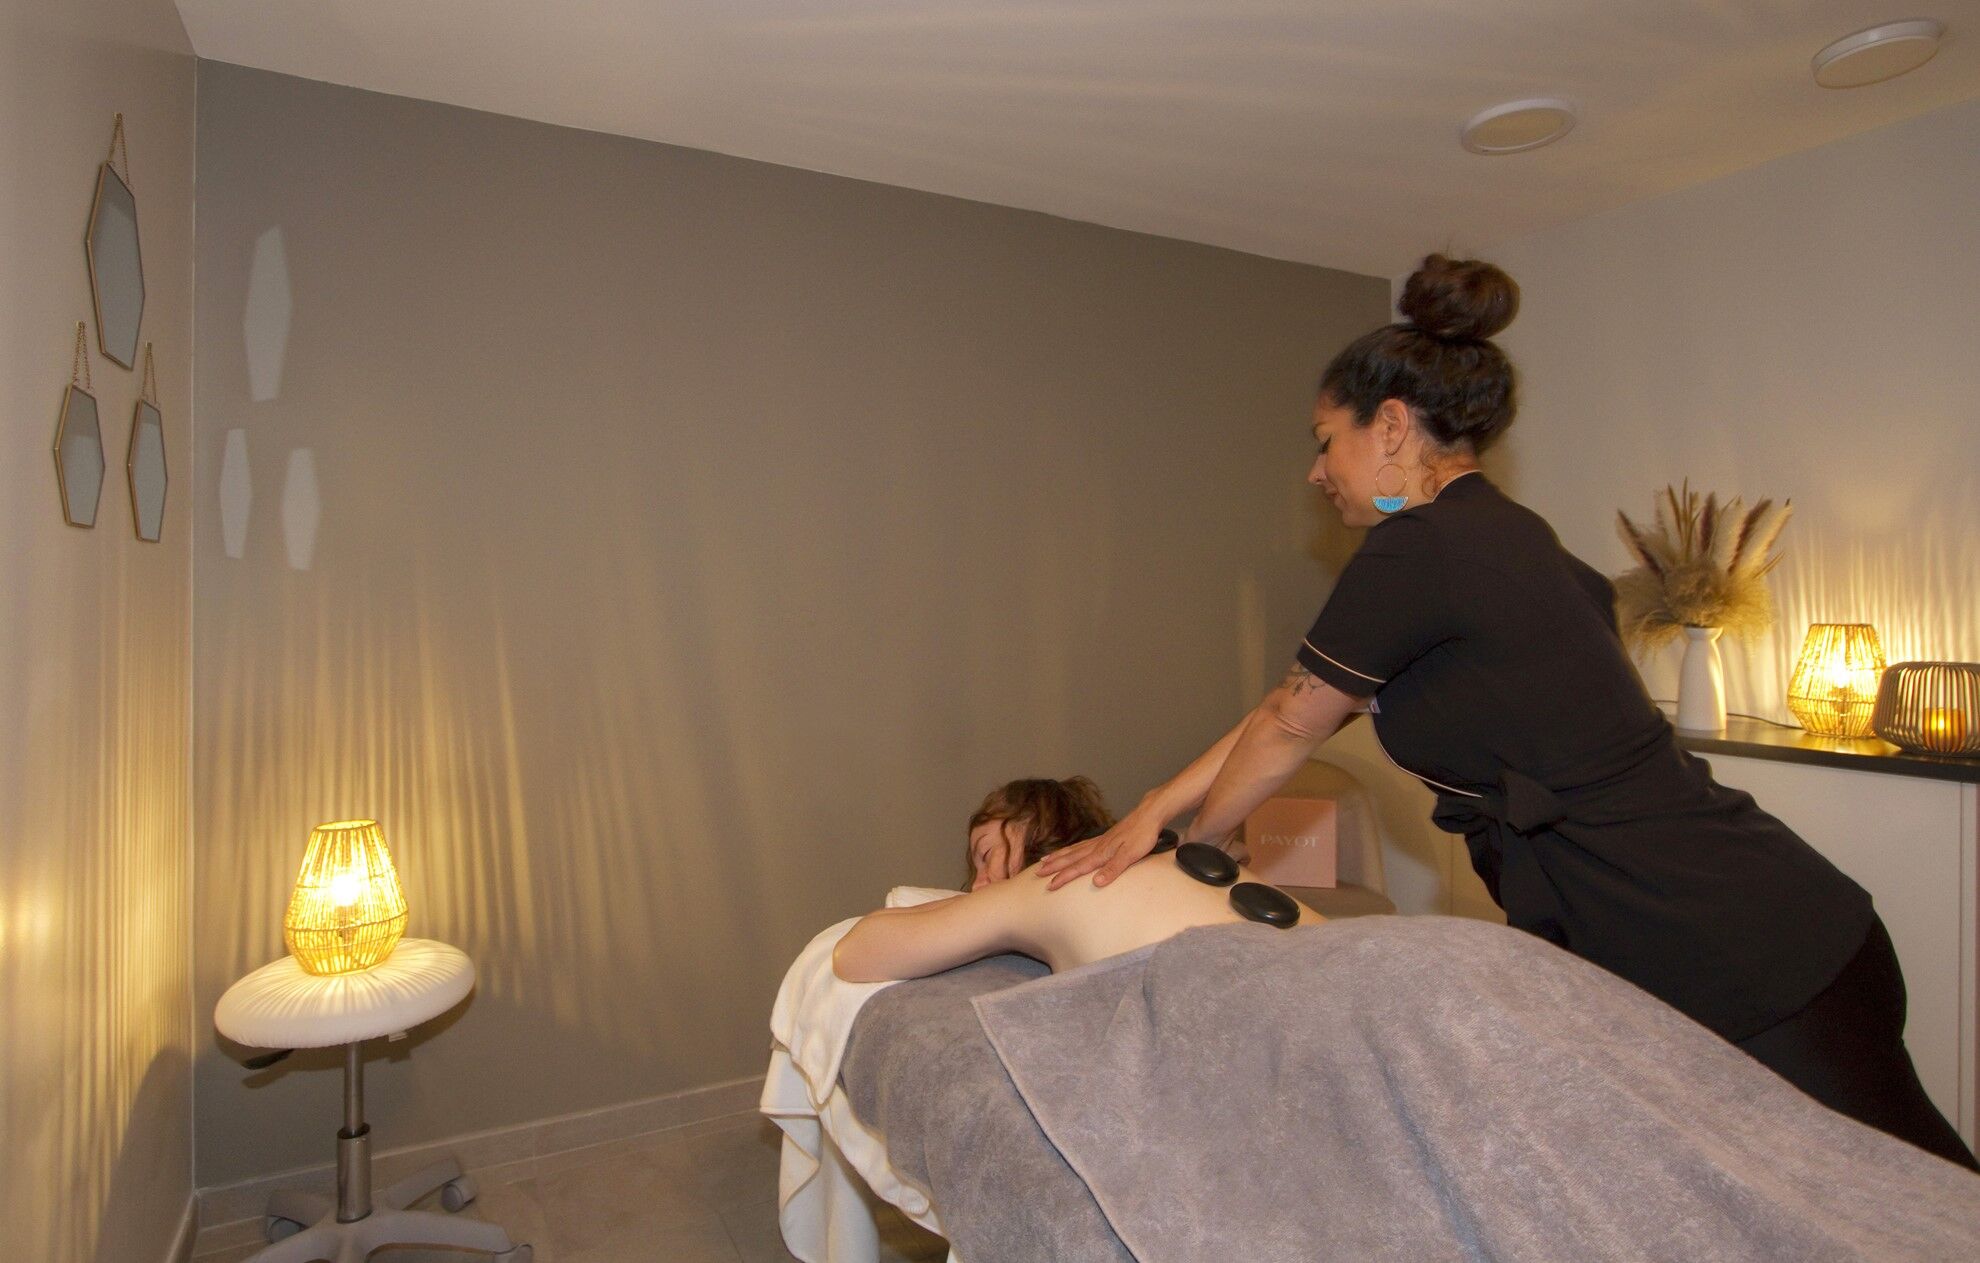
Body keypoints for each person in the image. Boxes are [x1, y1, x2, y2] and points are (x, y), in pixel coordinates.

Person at [1024, 253, 1976, 1170]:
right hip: (1722, 937)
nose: (1317, 471)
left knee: (1915, 1213)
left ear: (1390, 425)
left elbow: (1289, 722)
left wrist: (1193, 847)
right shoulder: (1517, 545)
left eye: (1325, 439)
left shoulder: (1422, 547)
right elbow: (1297, 704)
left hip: (1749, 953)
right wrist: (1155, 809)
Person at [834, 776, 1319, 983]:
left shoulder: (1050, 880)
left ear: (1037, 829)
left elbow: (855, 953)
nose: (979, 885)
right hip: (1336, 957)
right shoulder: (1172, 856)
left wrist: (964, 906)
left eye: (986, 856)